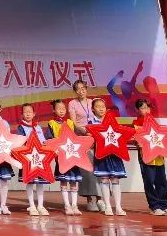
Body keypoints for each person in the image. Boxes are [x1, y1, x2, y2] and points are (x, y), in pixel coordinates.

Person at [67, 79, 103, 212]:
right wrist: (85, 131)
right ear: (75, 91)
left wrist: (94, 132)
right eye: (78, 89)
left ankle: (101, 199)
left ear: (86, 89)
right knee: (87, 169)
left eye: (83, 88)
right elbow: (74, 122)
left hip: (96, 137)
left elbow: (99, 117)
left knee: (100, 166)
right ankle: (90, 199)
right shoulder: (72, 103)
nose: (81, 91)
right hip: (82, 137)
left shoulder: (92, 102)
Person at [134, 99, 167, 216]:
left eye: (147, 107)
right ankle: (154, 206)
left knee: (161, 181)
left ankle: (164, 205)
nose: (146, 110)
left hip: (158, 156)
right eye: (142, 108)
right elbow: (137, 139)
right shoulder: (136, 124)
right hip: (146, 156)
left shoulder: (155, 123)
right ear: (137, 110)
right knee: (149, 181)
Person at [90, 98, 126, 216]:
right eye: (97, 106)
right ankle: (108, 206)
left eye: (103, 106)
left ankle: (119, 207)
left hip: (114, 154)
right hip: (101, 155)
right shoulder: (92, 123)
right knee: (104, 179)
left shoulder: (112, 121)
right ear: (92, 109)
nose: (101, 108)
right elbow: (90, 138)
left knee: (115, 180)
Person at [45, 100, 82, 216]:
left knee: (74, 181)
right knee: (64, 180)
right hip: (61, 156)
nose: (61, 110)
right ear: (54, 110)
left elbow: (75, 138)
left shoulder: (70, 123)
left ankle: (75, 205)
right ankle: (67, 205)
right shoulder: (51, 123)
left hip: (72, 155)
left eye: (63, 108)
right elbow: (50, 139)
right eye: (59, 108)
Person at [18, 102, 50, 216]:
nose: (28, 114)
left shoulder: (38, 127)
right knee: (30, 182)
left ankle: (41, 206)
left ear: (34, 114)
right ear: (22, 114)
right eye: (25, 112)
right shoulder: (21, 127)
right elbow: (20, 143)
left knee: (40, 183)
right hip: (28, 159)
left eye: (30, 112)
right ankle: (32, 205)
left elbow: (43, 142)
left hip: (40, 159)